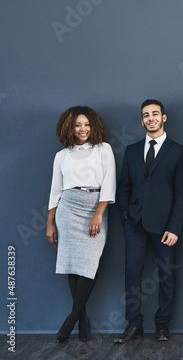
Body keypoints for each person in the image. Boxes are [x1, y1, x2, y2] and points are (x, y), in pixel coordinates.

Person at [115, 99, 183, 344]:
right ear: (142, 120)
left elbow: (181, 194)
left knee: (166, 275)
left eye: (155, 114)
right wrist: (126, 217)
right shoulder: (132, 150)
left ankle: (162, 323)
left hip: (166, 225)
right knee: (132, 274)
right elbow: (124, 186)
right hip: (134, 223)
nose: (151, 118)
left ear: (164, 117)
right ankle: (134, 324)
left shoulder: (178, 151)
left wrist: (175, 227)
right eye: (146, 115)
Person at [46, 106, 116, 343]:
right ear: (69, 128)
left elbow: (109, 184)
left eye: (86, 124)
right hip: (67, 209)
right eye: (77, 125)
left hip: (95, 206)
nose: (83, 129)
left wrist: (98, 213)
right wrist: (50, 223)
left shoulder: (103, 149)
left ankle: (72, 318)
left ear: (93, 125)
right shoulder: (62, 156)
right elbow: (55, 191)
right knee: (73, 264)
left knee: (89, 262)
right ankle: (82, 321)